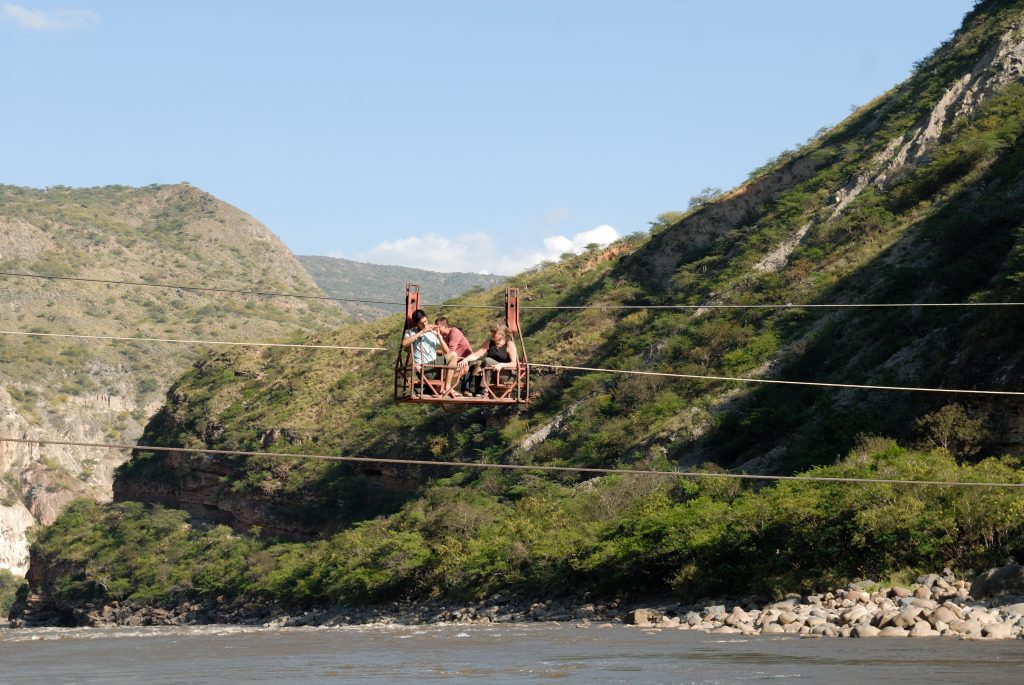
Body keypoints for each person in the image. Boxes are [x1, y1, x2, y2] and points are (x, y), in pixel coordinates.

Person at [402, 309, 458, 395]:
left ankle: (442, 387)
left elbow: (447, 351)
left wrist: (438, 335)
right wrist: (421, 332)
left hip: (435, 367)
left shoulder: (432, 332)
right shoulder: (412, 332)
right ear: (417, 323)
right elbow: (404, 343)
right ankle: (446, 388)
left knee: (461, 366)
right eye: (421, 323)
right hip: (424, 369)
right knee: (453, 355)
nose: (424, 324)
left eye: (425, 321)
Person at [456, 323, 520, 397]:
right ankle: (472, 389)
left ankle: (484, 388)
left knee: (488, 360)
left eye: (495, 332)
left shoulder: (509, 344)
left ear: (502, 335)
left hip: (505, 374)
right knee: (477, 363)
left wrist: (501, 365)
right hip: (493, 373)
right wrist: (466, 359)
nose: (492, 334)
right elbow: (477, 354)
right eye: (492, 331)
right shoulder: (489, 343)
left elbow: (514, 364)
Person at [435, 317, 474, 393]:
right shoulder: (444, 336)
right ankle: (441, 386)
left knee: (465, 368)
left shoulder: (454, 333)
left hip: (465, 359)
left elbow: (450, 353)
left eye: (438, 327)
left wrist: (439, 337)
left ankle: (443, 385)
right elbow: (445, 352)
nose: (437, 330)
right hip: (455, 360)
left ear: (445, 326)